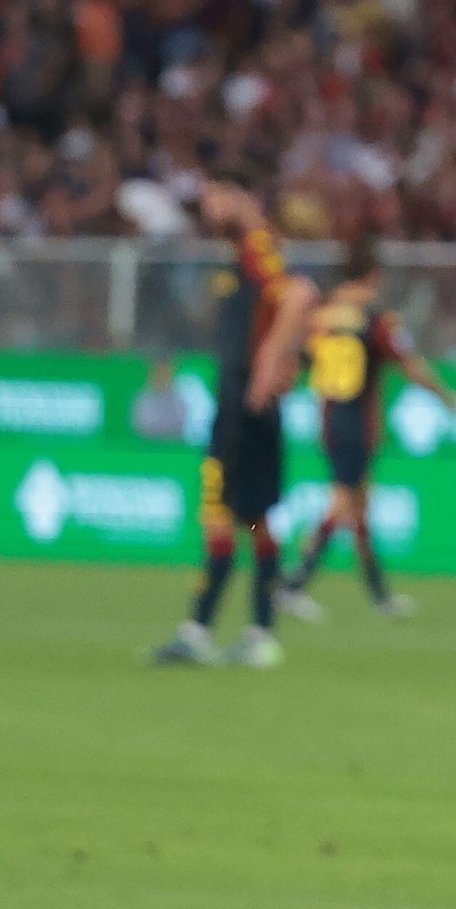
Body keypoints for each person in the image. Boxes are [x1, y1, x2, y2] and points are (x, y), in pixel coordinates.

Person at [150, 184, 315, 668]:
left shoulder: (257, 250)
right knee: (238, 516)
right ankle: (228, 630)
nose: (208, 209)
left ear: (243, 196)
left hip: (246, 406)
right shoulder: (243, 256)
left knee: (236, 515)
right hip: (238, 403)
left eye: (215, 196)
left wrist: (269, 360)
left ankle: (227, 631)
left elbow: (300, 296)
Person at [279, 235, 456, 620]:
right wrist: (446, 396)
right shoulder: (378, 319)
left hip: (328, 419)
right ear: (374, 275)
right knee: (344, 503)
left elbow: (301, 361)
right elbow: (411, 366)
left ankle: (379, 594)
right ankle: (293, 584)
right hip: (359, 423)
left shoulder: (322, 316)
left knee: (358, 509)